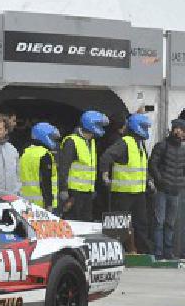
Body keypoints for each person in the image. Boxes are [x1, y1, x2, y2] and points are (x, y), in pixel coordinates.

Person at [100, 114, 153, 255]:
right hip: (122, 192)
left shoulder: (140, 144)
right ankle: (115, 252)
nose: (146, 130)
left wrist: (148, 180)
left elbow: (142, 167)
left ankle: (143, 252)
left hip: (138, 192)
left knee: (141, 223)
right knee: (119, 224)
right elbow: (106, 157)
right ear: (137, 127)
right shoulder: (125, 142)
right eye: (144, 127)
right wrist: (105, 175)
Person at [57, 110, 109, 221]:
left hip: (87, 193)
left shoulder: (91, 142)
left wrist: (92, 188)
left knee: (86, 222)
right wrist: (63, 189)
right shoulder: (72, 141)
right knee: (73, 222)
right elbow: (64, 167)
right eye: (98, 125)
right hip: (74, 192)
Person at [149, 119, 185, 260]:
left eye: (182, 130)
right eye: (178, 129)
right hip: (162, 190)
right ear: (173, 129)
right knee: (159, 222)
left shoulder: (183, 149)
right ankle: (158, 252)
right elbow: (153, 164)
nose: (179, 132)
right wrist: (160, 180)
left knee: (170, 223)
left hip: (176, 191)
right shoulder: (162, 146)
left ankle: (168, 252)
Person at [19, 122, 61, 211]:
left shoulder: (25, 152)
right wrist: (49, 204)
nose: (53, 140)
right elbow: (46, 181)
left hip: (25, 202)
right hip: (42, 204)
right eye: (51, 137)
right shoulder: (44, 154)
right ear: (44, 136)